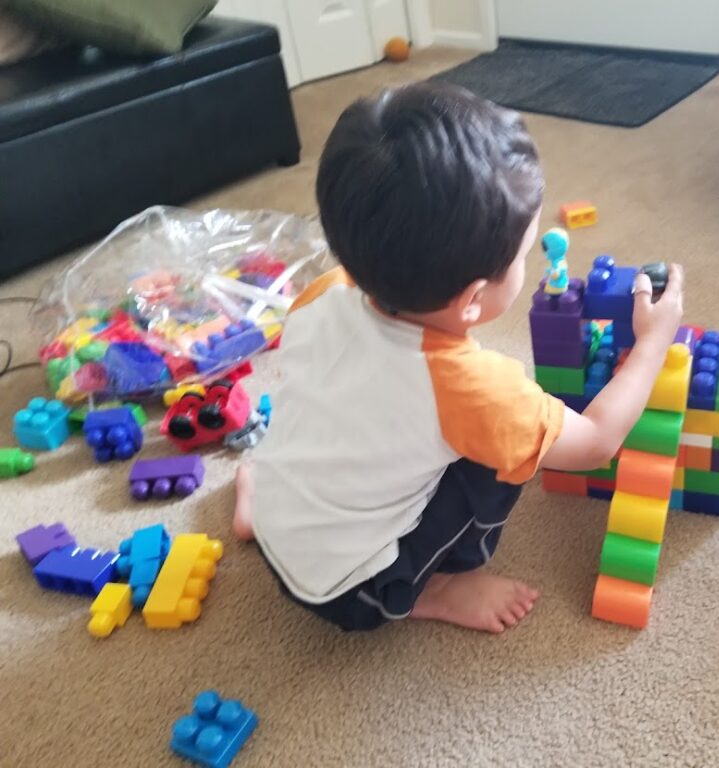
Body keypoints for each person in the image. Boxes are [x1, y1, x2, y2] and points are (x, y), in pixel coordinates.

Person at [233, 81, 684, 634]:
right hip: (346, 590)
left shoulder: (324, 291)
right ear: (472, 300)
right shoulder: (476, 391)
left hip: (286, 517)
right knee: (513, 445)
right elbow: (596, 441)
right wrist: (654, 342)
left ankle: (262, 511)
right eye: (524, 255)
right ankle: (432, 588)